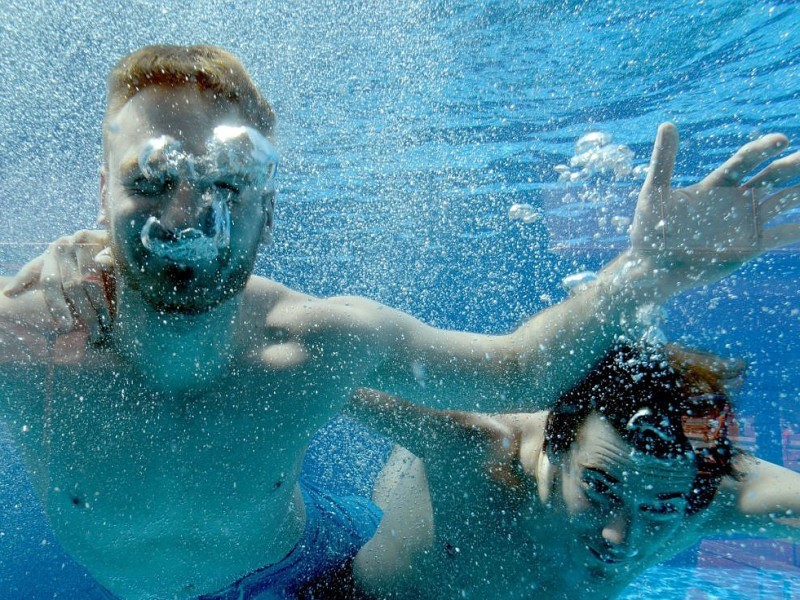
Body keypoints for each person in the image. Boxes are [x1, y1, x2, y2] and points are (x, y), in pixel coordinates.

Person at [1, 43, 799, 599]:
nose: (188, 218)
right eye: (152, 180)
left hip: (295, 574)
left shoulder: (316, 342)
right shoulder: (17, 343)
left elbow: (518, 370)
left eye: (228, 186)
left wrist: (645, 273)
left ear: (268, 211)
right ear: (101, 187)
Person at [341, 344, 800, 599]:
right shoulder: (474, 447)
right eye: (600, 489)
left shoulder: (701, 497)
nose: (620, 536)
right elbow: (312, 366)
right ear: (556, 444)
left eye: (659, 509)